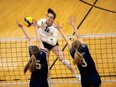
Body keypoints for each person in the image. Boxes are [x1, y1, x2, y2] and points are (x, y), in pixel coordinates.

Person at [55, 16, 101, 87]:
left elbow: (67, 40)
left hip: (85, 80)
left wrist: (60, 30)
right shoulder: (85, 49)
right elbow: (78, 36)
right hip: (94, 76)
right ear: (80, 45)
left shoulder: (73, 53)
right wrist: (73, 24)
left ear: (73, 48)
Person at [37, 8, 79, 79]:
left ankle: (76, 74)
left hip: (52, 43)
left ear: (53, 19)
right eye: (48, 16)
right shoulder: (42, 21)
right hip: (44, 44)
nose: (49, 18)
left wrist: (43, 38)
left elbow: (53, 42)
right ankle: (49, 80)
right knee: (46, 63)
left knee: (62, 59)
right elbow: (37, 25)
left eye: (51, 17)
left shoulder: (54, 28)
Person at [17, 19, 49, 87]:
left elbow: (30, 39)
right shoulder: (43, 56)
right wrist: (36, 27)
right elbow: (39, 41)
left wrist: (22, 27)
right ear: (39, 50)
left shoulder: (32, 56)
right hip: (43, 84)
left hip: (33, 83)